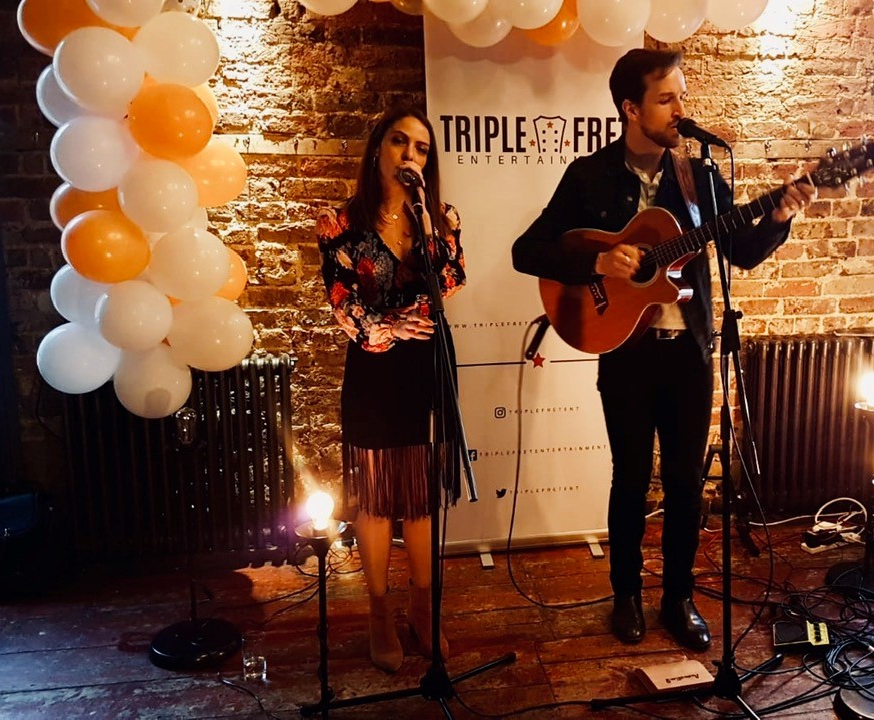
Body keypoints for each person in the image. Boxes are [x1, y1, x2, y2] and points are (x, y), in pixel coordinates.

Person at [511, 49, 815, 652]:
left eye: (682, 97)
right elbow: (528, 251)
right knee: (629, 479)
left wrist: (779, 215)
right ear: (631, 108)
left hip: (688, 355)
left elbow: (741, 253)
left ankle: (679, 597)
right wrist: (598, 261)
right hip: (626, 353)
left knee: (684, 483)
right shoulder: (589, 176)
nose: (681, 110)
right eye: (666, 99)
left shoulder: (697, 176)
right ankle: (625, 595)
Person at [316, 106, 466, 672]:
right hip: (375, 371)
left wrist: (426, 230)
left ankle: (422, 606)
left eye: (422, 148)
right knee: (378, 500)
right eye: (400, 142)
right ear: (378, 148)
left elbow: (453, 276)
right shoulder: (340, 223)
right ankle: (378, 611)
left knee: (421, 497)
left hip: (428, 364)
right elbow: (342, 302)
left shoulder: (440, 217)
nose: (411, 154)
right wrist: (390, 326)